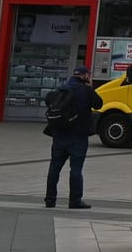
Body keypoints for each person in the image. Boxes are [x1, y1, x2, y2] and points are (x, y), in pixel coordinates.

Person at [44, 63, 104, 209]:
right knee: (76, 169)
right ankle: (75, 200)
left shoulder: (62, 89)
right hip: (78, 136)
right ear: (84, 76)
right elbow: (99, 104)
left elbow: (48, 100)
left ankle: (50, 199)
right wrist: (90, 88)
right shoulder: (86, 90)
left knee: (54, 168)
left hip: (59, 135)